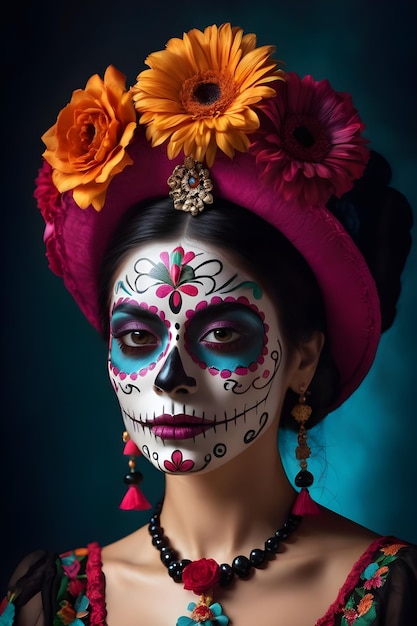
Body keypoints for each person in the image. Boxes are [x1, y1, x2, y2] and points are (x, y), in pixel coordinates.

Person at [1, 22, 415, 626]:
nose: (170, 377)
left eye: (222, 334)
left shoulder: (394, 598)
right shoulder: (49, 602)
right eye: (137, 338)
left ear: (303, 355)